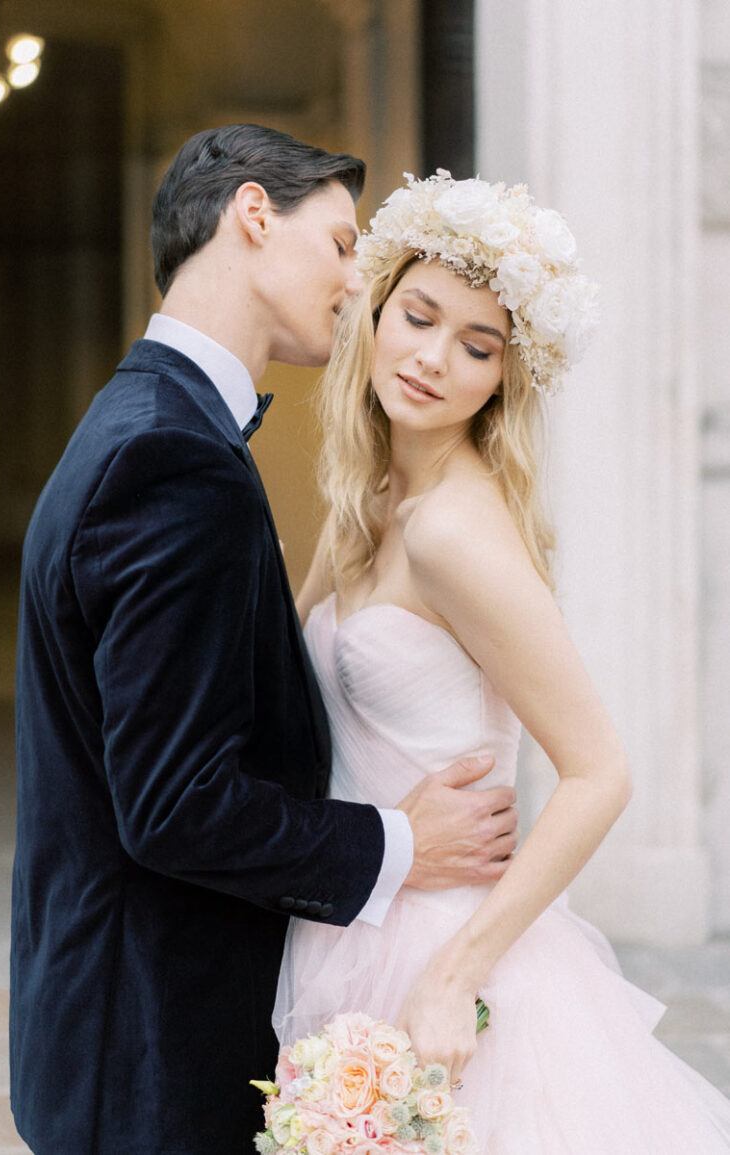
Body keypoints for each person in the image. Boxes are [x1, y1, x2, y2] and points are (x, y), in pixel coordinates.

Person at [10, 127, 521, 1155]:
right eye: (339, 245)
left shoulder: (146, 422)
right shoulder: (170, 457)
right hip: (150, 1046)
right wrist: (403, 842)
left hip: (122, 1023)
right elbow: (174, 805)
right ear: (252, 214)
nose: (352, 286)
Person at [273, 171, 730, 1151]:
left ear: (503, 377)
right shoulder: (369, 501)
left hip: (451, 948)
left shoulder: (452, 533)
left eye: (475, 345)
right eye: (419, 317)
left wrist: (453, 976)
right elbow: (275, 667)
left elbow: (598, 771)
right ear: (377, 311)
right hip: (359, 916)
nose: (432, 358)